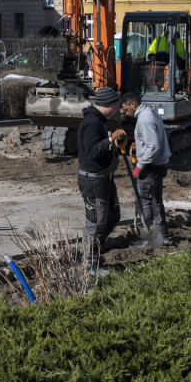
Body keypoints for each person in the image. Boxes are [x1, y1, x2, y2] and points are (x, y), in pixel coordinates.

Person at [77, 87, 127, 266]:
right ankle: (89, 264)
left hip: (104, 178)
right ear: (109, 105)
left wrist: (113, 145)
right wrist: (109, 141)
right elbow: (91, 152)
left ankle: (94, 250)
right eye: (115, 105)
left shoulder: (100, 120)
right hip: (93, 181)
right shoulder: (92, 122)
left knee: (113, 216)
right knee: (96, 223)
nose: (117, 108)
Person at [121, 92, 171, 245]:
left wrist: (140, 165)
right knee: (156, 199)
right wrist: (140, 145)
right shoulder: (150, 113)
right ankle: (163, 236)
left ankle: (148, 239)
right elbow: (151, 141)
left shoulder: (144, 119)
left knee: (145, 201)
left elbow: (153, 146)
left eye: (126, 109)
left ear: (133, 105)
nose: (126, 113)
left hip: (151, 166)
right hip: (159, 164)